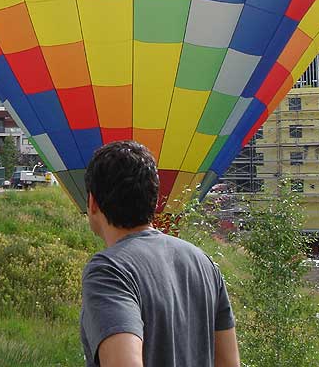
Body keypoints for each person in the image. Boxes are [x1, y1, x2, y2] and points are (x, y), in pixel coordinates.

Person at [80, 141, 240, 367]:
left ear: (92, 202)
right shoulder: (203, 263)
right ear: (154, 199)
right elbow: (230, 363)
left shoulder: (109, 271)